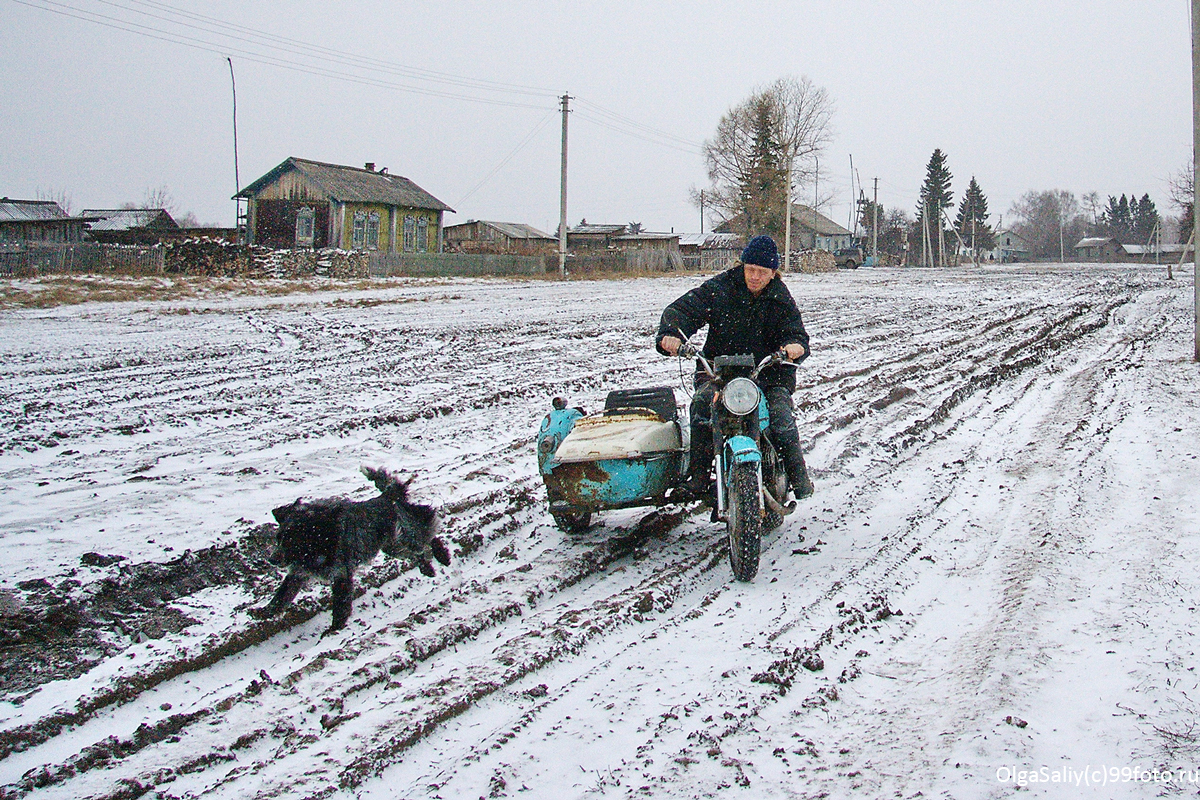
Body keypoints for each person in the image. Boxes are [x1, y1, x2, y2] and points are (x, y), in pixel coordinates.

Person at [656, 234, 814, 501]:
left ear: (773, 273)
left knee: (780, 416)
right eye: (750, 269)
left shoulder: (780, 298)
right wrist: (672, 333)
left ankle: (798, 478)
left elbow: (797, 334)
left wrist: (794, 347)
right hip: (719, 371)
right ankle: (699, 477)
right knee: (702, 406)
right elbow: (685, 308)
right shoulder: (721, 287)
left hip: (768, 373)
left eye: (761, 272)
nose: (754, 276)